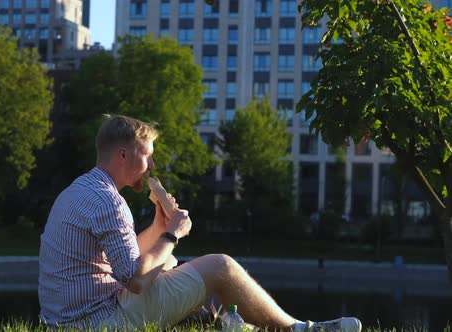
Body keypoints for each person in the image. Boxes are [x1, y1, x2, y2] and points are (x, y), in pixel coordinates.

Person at [38, 114, 363, 332]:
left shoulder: (80, 190)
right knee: (220, 266)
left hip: (64, 320)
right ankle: (300, 330)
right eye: (146, 155)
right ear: (123, 155)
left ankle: (226, 321)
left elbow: (124, 260)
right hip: (96, 322)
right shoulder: (110, 201)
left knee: (171, 264)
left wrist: (157, 226)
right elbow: (135, 282)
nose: (152, 164)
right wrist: (172, 234)